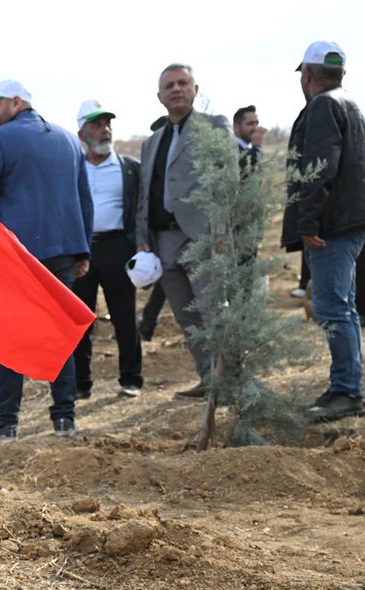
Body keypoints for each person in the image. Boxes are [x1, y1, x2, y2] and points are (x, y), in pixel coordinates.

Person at [0, 80, 93, 442]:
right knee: (59, 334)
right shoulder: (69, 140)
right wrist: (82, 250)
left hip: (16, 257)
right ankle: (64, 418)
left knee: (12, 336)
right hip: (63, 253)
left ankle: (7, 423)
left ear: (15, 102)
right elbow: (84, 199)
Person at [282, 42, 365, 422]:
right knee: (343, 307)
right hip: (349, 220)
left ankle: (347, 392)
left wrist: (307, 222)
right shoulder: (349, 102)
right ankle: (345, 386)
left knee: (333, 309)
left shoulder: (323, 105)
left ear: (307, 74)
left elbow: (318, 168)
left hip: (332, 225)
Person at [135, 64, 229, 399]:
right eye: (169, 86)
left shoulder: (214, 127)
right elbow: (145, 194)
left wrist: (220, 234)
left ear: (195, 89)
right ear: (159, 96)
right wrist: (142, 239)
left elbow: (227, 184)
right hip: (163, 242)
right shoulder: (151, 143)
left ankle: (228, 382)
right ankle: (208, 380)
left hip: (203, 239)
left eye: (182, 83)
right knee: (188, 319)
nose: (176, 89)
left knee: (215, 314)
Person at [71, 100, 143, 400]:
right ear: (81, 134)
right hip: (82, 251)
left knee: (124, 316)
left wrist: (138, 243)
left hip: (118, 249)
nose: (105, 130)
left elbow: (141, 209)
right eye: (96, 125)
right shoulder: (71, 170)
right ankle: (80, 384)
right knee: (79, 319)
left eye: (107, 124)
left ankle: (131, 379)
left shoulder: (130, 169)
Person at [232, 105, 266, 172]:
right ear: (236, 127)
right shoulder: (230, 148)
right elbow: (242, 169)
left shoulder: (249, 150)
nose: (255, 128)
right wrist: (256, 148)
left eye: (256, 123)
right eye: (250, 124)